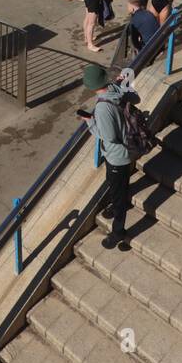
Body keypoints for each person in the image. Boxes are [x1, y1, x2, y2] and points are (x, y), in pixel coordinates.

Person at [79, 64, 134, 241]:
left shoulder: (102, 108)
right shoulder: (116, 89)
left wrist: (90, 121)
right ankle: (120, 202)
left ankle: (119, 231)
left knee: (117, 189)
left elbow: (108, 136)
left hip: (117, 156)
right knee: (118, 183)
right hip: (127, 149)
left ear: (91, 86)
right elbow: (135, 98)